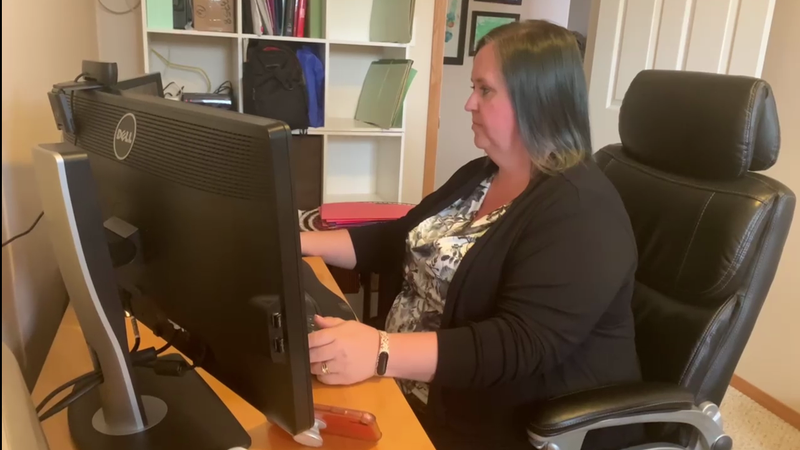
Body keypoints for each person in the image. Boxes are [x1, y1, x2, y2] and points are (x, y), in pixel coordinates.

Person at [301, 20, 641, 450]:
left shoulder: (582, 209)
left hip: (497, 423)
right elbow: (401, 238)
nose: (468, 103)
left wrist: (381, 351)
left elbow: (517, 344)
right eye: (472, 88)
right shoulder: (482, 173)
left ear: (537, 98)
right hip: (407, 383)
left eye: (485, 90)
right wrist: (297, 242)